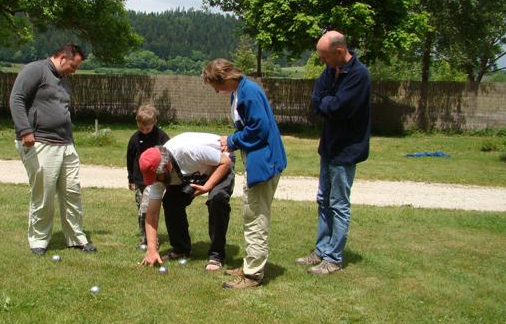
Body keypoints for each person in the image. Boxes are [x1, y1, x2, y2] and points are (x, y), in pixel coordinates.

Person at [202, 59, 287, 289]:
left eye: (216, 86)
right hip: (256, 162)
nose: (217, 91)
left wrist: (231, 141)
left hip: (264, 163)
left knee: (256, 218)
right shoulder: (240, 92)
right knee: (251, 214)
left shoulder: (248, 93)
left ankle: (252, 275)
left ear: (227, 78)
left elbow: (259, 130)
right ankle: (251, 265)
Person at [9, 43, 96, 255]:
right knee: (44, 193)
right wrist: (25, 131)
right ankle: (39, 240)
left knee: (72, 192)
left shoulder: (64, 82)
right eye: (73, 66)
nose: (74, 71)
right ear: (63, 57)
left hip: (65, 144)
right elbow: (17, 99)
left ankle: (76, 238)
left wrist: (71, 142)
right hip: (40, 142)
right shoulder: (35, 70)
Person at [296, 30, 370, 275]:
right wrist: (327, 102)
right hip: (328, 146)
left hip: (346, 150)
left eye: (325, 57)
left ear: (340, 51)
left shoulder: (359, 75)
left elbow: (338, 108)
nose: (322, 62)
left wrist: (327, 102)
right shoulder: (329, 72)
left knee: (338, 203)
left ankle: (333, 258)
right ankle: (320, 250)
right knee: (323, 200)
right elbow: (317, 100)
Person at [138, 132, 235, 270]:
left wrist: (207, 186)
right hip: (195, 171)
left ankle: (216, 255)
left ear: (167, 167)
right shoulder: (157, 172)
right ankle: (181, 249)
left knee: (217, 200)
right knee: (171, 201)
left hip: (221, 161)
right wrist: (152, 249)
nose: (155, 181)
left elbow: (225, 162)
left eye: (157, 177)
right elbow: (152, 214)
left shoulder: (187, 151)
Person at [126, 104, 170, 249]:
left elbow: (169, 157)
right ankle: (144, 237)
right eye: (141, 128)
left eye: (148, 129)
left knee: (147, 209)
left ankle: (150, 242)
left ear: (154, 122)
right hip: (140, 180)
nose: (144, 132)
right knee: (141, 210)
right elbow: (130, 159)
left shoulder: (161, 137)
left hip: (155, 180)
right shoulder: (134, 139)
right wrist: (131, 179)